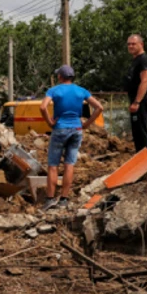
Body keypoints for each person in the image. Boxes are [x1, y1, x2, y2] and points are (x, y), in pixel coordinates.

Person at [39, 65, 103, 211]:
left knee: (53, 165)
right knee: (69, 164)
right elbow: (99, 107)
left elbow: (43, 107)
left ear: (60, 77)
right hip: (77, 130)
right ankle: (64, 199)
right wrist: (86, 124)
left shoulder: (54, 90)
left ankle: (50, 199)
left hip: (60, 128)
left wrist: (49, 122)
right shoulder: (81, 91)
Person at [126, 34, 147, 151]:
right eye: (129, 44)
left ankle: (145, 160)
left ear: (141, 44)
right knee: (136, 131)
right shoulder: (135, 61)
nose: (131, 46)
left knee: (141, 130)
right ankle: (140, 157)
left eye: (133, 44)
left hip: (141, 100)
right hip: (134, 99)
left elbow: (145, 81)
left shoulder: (144, 59)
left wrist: (137, 102)